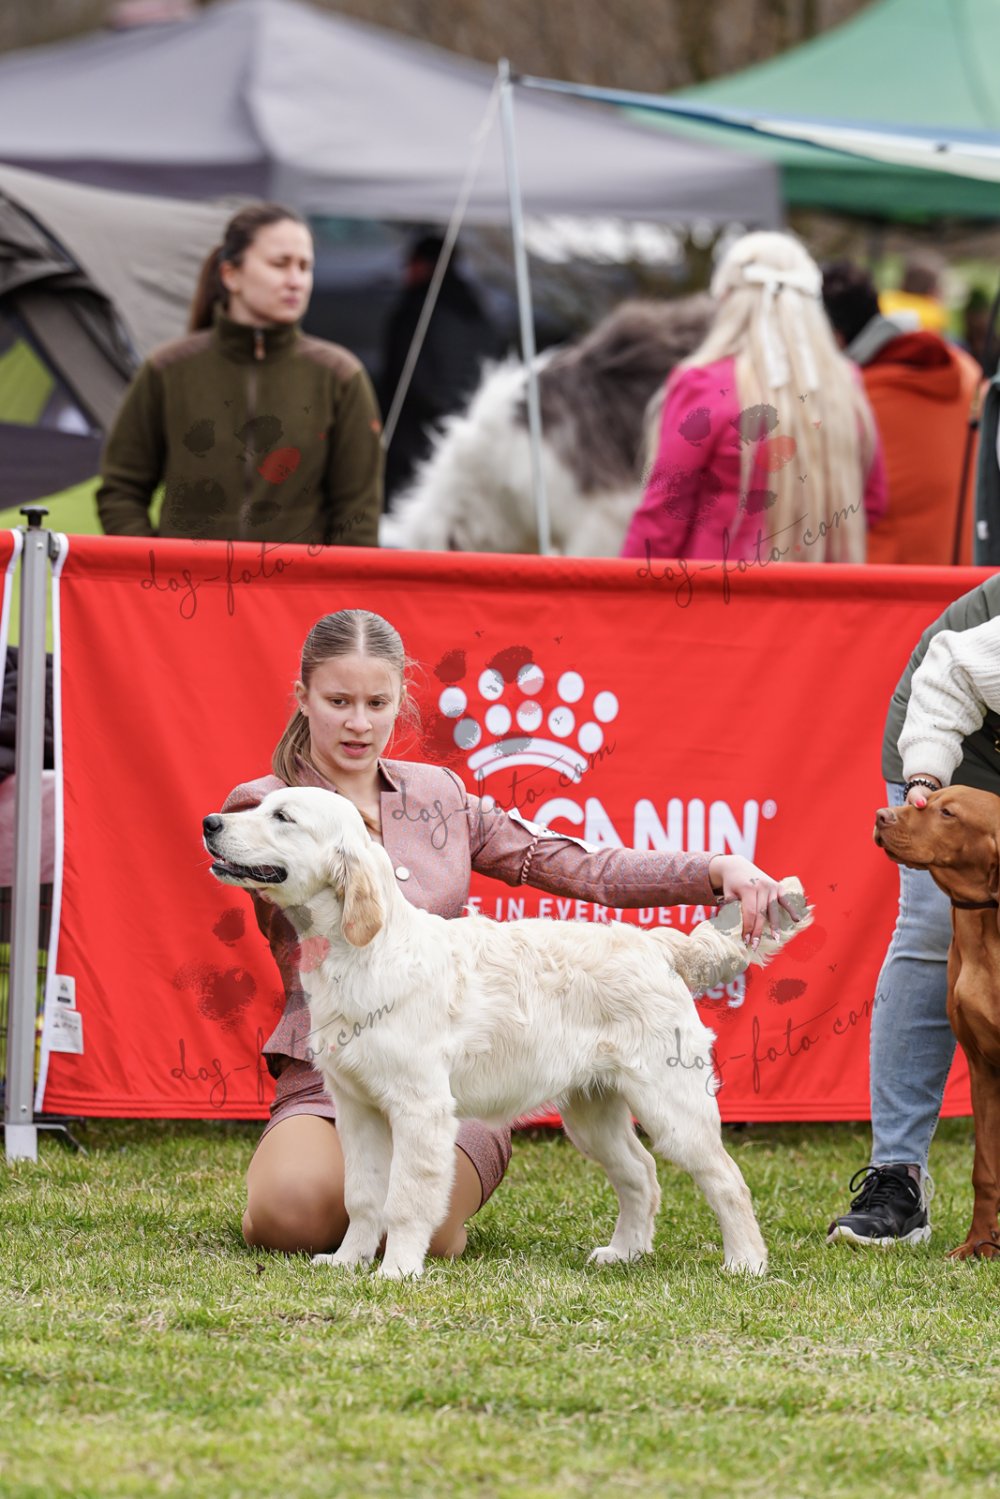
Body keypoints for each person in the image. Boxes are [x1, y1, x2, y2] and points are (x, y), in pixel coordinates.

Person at [222, 608, 798, 1259]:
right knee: (293, 1217)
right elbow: (286, 896)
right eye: (338, 702)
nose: (359, 722)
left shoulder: (438, 795)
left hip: (462, 1077)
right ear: (303, 698)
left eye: (376, 703)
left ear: (399, 703)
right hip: (329, 1074)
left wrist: (712, 870)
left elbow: (573, 863)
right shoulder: (261, 810)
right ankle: (355, 1209)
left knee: (431, 1233)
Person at [827, 577, 1000, 1247]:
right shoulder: (969, 652)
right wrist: (924, 784)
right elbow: (946, 681)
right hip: (952, 739)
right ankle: (896, 1177)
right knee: (934, 927)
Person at [97, 203, 383, 546]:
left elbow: (358, 513)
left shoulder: (340, 377)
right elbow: (121, 490)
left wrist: (323, 580)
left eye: (305, 267)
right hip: (185, 579)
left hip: (299, 581)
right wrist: (155, 566)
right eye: (280, 264)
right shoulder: (166, 370)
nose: (296, 281)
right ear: (231, 275)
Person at [620, 231, 886, 567]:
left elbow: (662, 521)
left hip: (715, 592)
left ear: (728, 299)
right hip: (816, 594)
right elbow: (872, 503)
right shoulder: (843, 386)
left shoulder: (702, 385)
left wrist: (622, 591)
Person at [822, 261, 980, 566]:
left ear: (836, 338)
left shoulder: (849, 405)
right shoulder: (966, 371)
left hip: (885, 586)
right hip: (968, 578)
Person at [378, 232, 502, 507]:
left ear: (423, 265)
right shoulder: (479, 308)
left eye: (410, 265)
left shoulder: (415, 308)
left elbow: (404, 373)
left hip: (413, 440)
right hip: (465, 433)